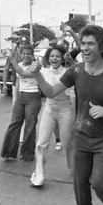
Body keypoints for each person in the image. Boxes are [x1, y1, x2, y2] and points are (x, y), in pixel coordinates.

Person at [29, 25, 103, 205]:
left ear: (102, 46)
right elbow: (50, 92)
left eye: (90, 44)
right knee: (80, 181)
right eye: (83, 43)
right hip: (81, 136)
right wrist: (38, 76)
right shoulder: (75, 71)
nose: (84, 48)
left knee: (99, 182)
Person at [29, 45, 75, 187]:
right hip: (49, 109)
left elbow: (73, 96)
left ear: (62, 59)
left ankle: (75, 171)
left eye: (57, 56)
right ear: (48, 59)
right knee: (41, 143)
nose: (54, 58)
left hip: (66, 110)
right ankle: (39, 175)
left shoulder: (68, 73)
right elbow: (23, 73)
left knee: (68, 144)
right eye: (52, 56)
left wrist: (77, 115)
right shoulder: (43, 72)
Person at [1, 43, 42, 161]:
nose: (26, 56)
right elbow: (19, 80)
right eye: (24, 54)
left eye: (28, 54)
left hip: (33, 97)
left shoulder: (36, 66)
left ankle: (27, 154)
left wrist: (11, 58)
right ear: (21, 54)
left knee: (30, 126)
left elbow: (22, 73)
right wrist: (17, 94)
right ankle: (8, 152)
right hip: (21, 96)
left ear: (32, 55)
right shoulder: (19, 64)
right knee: (14, 123)